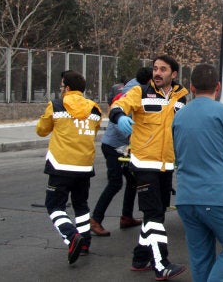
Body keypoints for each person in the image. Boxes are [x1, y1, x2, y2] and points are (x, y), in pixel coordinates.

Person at [109, 55, 188, 280]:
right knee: (153, 213)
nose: (157, 73)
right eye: (155, 68)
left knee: (157, 212)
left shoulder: (182, 97)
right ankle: (161, 263)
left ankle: (140, 257)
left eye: (163, 69)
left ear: (173, 74)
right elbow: (118, 105)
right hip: (144, 162)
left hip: (166, 164)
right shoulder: (140, 92)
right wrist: (119, 117)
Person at [172, 63, 223, 282]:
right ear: (218, 86)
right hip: (216, 196)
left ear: (191, 87)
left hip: (187, 198)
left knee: (200, 256)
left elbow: (179, 154)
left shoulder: (180, 116)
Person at [36, 70, 102, 265]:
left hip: (61, 165)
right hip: (84, 165)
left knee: (54, 205)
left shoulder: (56, 105)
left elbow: (41, 130)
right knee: (81, 205)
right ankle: (84, 242)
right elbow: (94, 131)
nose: (61, 89)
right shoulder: (95, 109)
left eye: (61, 85)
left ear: (67, 88)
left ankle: (71, 235)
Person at [89, 67, 153, 236]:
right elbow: (120, 123)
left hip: (124, 146)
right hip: (113, 146)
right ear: (148, 82)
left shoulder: (138, 89)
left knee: (132, 181)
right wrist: (137, 137)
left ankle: (126, 216)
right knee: (115, 183)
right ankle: (95, 220)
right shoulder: (132, 93)